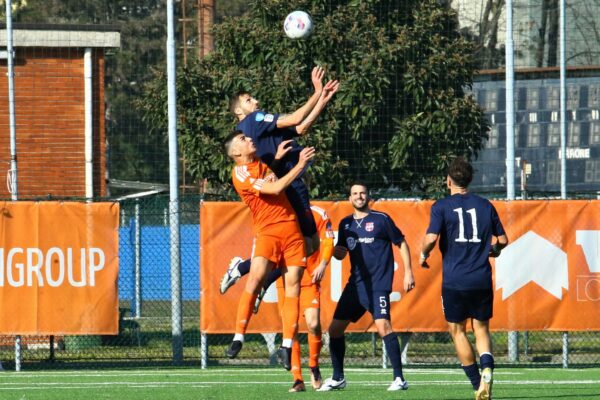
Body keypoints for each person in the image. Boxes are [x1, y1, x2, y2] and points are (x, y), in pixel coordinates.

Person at [223, 130, 315, 371]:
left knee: (293, 283)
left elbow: (270, 180)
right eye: (242, 140)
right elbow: (274, 189)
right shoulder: (239, 172)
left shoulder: (262, 165)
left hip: (291, 229)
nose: (248, 139)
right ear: (235, 152)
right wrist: (301, 164)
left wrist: (276, 159)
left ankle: (286, 345)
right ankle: (238, 337)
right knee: (255, 279)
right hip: (268, 232)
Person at [419, 157, 508, 400]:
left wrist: (423, 254)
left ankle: (477, 383)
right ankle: (487, 367)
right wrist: (494, 251)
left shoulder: (441, 206)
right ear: (469, 180)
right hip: (480, 278)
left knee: (457, 331)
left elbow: (430, 238)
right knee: (481, 328)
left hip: (454, 281)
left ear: (448, 180)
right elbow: (502, 241)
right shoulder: (485, 205)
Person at [220, 203, 335, 392]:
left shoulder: (315, 213)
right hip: (287, 279)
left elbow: (328, 241)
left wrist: (322, 264)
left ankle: (314, 366)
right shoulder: (279, 213)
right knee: (291, 327)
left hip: (309, 278)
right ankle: (298, 379)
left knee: (314, 324)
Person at [229, 66, 339, 256]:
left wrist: (322, 101)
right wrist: (317, 92)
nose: (256, 101)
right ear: (238, 110)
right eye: (249, 100)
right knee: (307, 245)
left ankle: (251, 272)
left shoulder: (256, 128)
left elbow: (300, 129)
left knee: (305, 246)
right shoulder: (255, 118)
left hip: (279, 184)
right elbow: (296, 118)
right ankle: (245, 267)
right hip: (288, 184)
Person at [319, 183, 416, 392]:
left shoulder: (381, 219)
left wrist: (408, 272)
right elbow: (341, 254)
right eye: (355, 194)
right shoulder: (346, 224)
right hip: (355, 285)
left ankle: (399, 378)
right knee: (334, 330)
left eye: (362, 193)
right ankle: (338, 378)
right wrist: (329, 247)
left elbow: (402, 243)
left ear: (368, 196)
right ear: (350, 198)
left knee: (383, 327)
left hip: (378, 284)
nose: (359, 196)